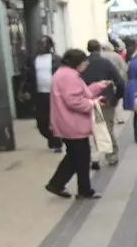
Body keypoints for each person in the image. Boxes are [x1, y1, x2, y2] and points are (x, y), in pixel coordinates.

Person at [44, 49, 105, 200]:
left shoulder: (64, 74)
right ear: (77, 62)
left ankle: (57, 183)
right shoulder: (68, 76)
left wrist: (97, 86)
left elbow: (79, 93)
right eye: (84, 61)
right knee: (81, 157)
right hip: (72, 123)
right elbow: (73, 100)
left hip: (67, 122)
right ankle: (83, 189)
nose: (86, 64)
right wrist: (93, 104)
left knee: (74, 157)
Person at [82, 40, 125, 137]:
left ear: (88, 49)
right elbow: (120, 82)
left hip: (87, 99)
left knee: (92, 127)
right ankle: (110, 149)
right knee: (107, 126)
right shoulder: (106, 63)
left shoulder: (83, 64)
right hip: (106, 98)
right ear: (100, 49)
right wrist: (117, 97)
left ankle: (101, 147)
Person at [32, 37, 62, 151]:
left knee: (55, 119)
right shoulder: (33, 59)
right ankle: (51, 138)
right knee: (41, 121)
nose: (41, 46)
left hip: (54, 93)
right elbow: (27, 76)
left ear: (50, 45)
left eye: (44, 44)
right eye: (40, 44)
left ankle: (57, 142)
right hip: (40, 94)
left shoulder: (57, 59)